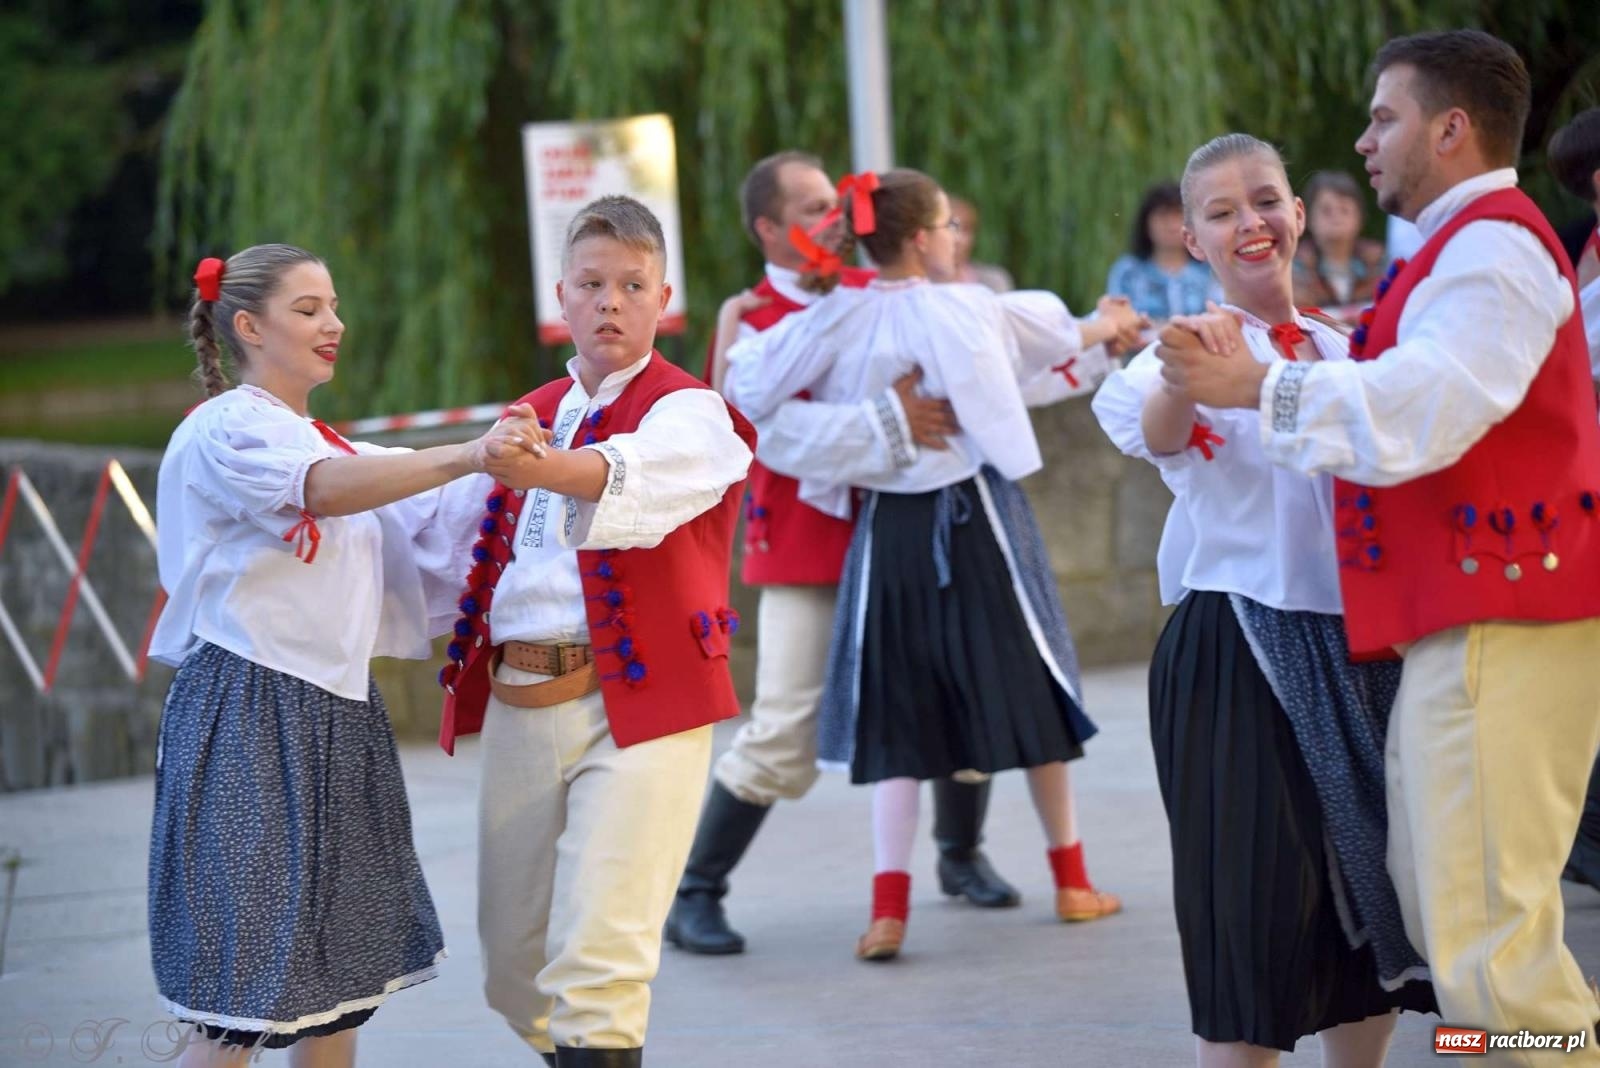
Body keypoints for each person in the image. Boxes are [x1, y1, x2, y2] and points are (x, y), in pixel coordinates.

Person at [1152, 30, 1600, 1057]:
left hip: (1500, 616)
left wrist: (1257, 384)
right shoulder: (1464, 247)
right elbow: (1156, 418)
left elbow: (1424, 404)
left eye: (1383, 117)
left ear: (1448, 128)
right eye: (1218, 212)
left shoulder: (1487, 245)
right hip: (1460, 620)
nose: (1363, 141)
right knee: (1464, 921)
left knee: (1489, 942)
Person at [724, 168, 1143, 961]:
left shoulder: (832, 317)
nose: (956, 237)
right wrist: (1106, 322)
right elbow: (1048, 338)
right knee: (1034, 684)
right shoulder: (966, 307)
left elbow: (749, 386)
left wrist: (868, 415)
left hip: (887, 535)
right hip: (977, 517)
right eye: (948, 225)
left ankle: (889, 910)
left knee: (898, 713)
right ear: (921, 237)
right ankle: (1072, 878)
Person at [1093, 134, 1436, 1066]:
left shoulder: (1349, 347)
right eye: (1221, 211)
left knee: (1369, 897)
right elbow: (1160, 435)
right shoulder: (1192, 346)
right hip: (1236, 643)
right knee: (1250, 905)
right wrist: (1180, 373)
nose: (1252, 222)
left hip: (1361, 649)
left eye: (1266, 200)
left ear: (1295, 212)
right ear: (1192, 239)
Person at [148, 243, 528, 1065]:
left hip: (335, 708)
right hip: (249, 705)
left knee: (333, 990)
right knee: (237, 1003)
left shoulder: (323, 441)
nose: (335, 325)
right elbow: (319, 487)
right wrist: (468, 454)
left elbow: (406, 495)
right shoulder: (227, 428)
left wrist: (530, 445)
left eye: (333, 306)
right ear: (248, 325)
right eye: (309, 309)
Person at [667, 152, 1020, 959]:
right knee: (785, 721)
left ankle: (960, 855)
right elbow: (756, 437)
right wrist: (887, 422)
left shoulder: (883, 289)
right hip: (807, 541)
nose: (836, 217)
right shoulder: (748, 316)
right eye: (813, 207)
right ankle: (696, 892)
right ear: (768, 227)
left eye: (837, 201)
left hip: (912, 524)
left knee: (960, 688)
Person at [435, 195, 754, 1068]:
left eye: (631, 284)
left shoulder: (692, 412)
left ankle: (596, 1046)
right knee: (512, 970)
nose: (611, 301)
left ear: (662, 298)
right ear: (562, 298)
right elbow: (449, 547)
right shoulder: (525, 413)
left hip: (649, 705)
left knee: (601, 964)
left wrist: (534, 464)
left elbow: (631, 482)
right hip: (522, 701)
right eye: (592, 283)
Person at [1106, 180, 1219, 321]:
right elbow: (1117, 321)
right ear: (1146, 223)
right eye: (1163, 216)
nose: (1171, 225)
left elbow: (1221, 316)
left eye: (1178, 215)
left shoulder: (1210, 270)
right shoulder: (1128, 272)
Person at [1292, 171, 1388, 310]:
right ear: (1308, 218)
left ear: (1359, 217)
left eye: (1344, 210)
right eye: (1326, 211)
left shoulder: (1379, 262)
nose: (1336, 217)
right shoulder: (1295, 266)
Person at [950, 194, 1015, 292]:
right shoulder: (921, 285)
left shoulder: (993, 281)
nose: (959, 239)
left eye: (966, 230)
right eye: (952, 229)